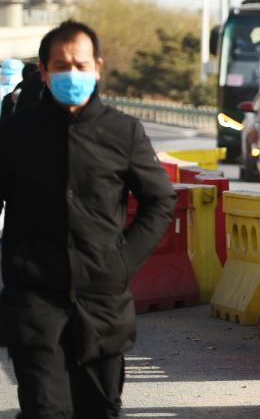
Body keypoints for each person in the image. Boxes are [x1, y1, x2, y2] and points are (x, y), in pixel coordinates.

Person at [0, 20, 176, 417]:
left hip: (102, 307)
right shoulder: (14, 134)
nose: (71, 73)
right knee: (45, 408)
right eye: (60, 66)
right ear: (43, 72)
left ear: (97, 67)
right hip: (34, 302)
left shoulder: (123, 132)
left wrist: (123, 261)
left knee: (100, 409)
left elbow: (160, 201)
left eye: (80, 65)